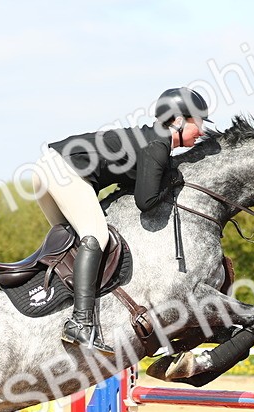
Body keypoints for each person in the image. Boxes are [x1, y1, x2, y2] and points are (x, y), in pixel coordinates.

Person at [34, 87, 211, 353]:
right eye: (198, 122)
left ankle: (51, 306)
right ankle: (81, 324)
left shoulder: (151, 139)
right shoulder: (158, 145)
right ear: (176, 120)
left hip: (46, 169)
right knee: (96, 236)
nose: (202, 131)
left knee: (74, 244)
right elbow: (146, 201)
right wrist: (175, 179)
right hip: (62, 169)